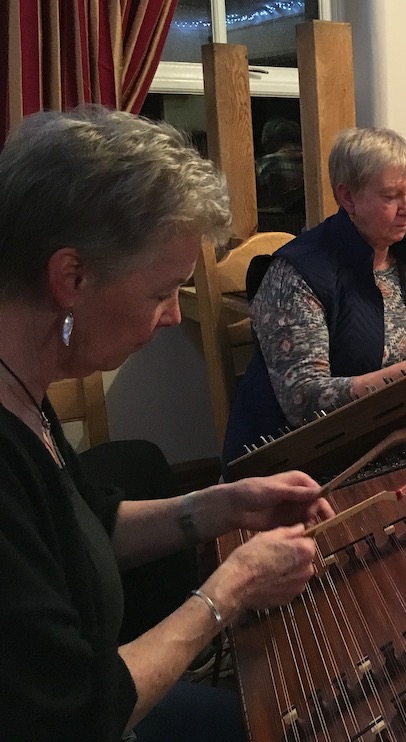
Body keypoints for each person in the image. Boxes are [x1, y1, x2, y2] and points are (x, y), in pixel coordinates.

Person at [0, 107, 335, 741]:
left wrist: (219, 505)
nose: (173, 316)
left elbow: (83, 527)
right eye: (161, 293)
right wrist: (231, 587)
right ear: (71, 276)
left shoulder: (21, 388)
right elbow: (75, 711)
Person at [224, 127, 406, 465]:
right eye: (392, 196)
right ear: (348, 197)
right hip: (319, 462)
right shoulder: (297, 272)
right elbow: (304, 401)